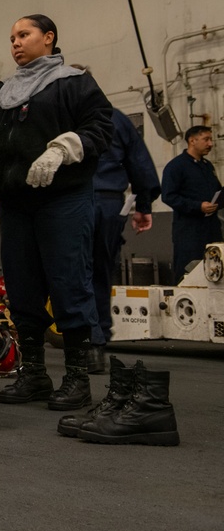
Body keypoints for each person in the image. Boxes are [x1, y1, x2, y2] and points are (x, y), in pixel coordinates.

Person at [0, 14, 112, 412]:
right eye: (11, 38)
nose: (16, 43)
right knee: (21, 289)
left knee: (69, 284)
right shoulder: (3, 92)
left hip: (63, 200)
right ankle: (34, 375)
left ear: (49, 38)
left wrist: (63, 147)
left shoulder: (74, 82)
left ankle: (76, 378)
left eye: (24, 35)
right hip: (16, 203)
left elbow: (102, 127)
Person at [91, 104, 160, 357]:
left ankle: (78, 341)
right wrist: (143, 205)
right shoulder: (115, 117)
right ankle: (97, 342)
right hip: (109, 202)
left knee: (70, 272)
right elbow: (140, 164)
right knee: (101, 270)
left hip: (68, 201)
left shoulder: (59, 112)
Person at [161, 125, 222, 283]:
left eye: (210, 139)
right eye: (206, 139)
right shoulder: (176, 167)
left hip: (211, 231)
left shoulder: (207, 167)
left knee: (215, 272)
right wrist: (198, 206)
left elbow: (218, 192)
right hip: (189, 233)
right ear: (192, 140)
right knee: (188, 273)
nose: (210, 143)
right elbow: (168, 196)